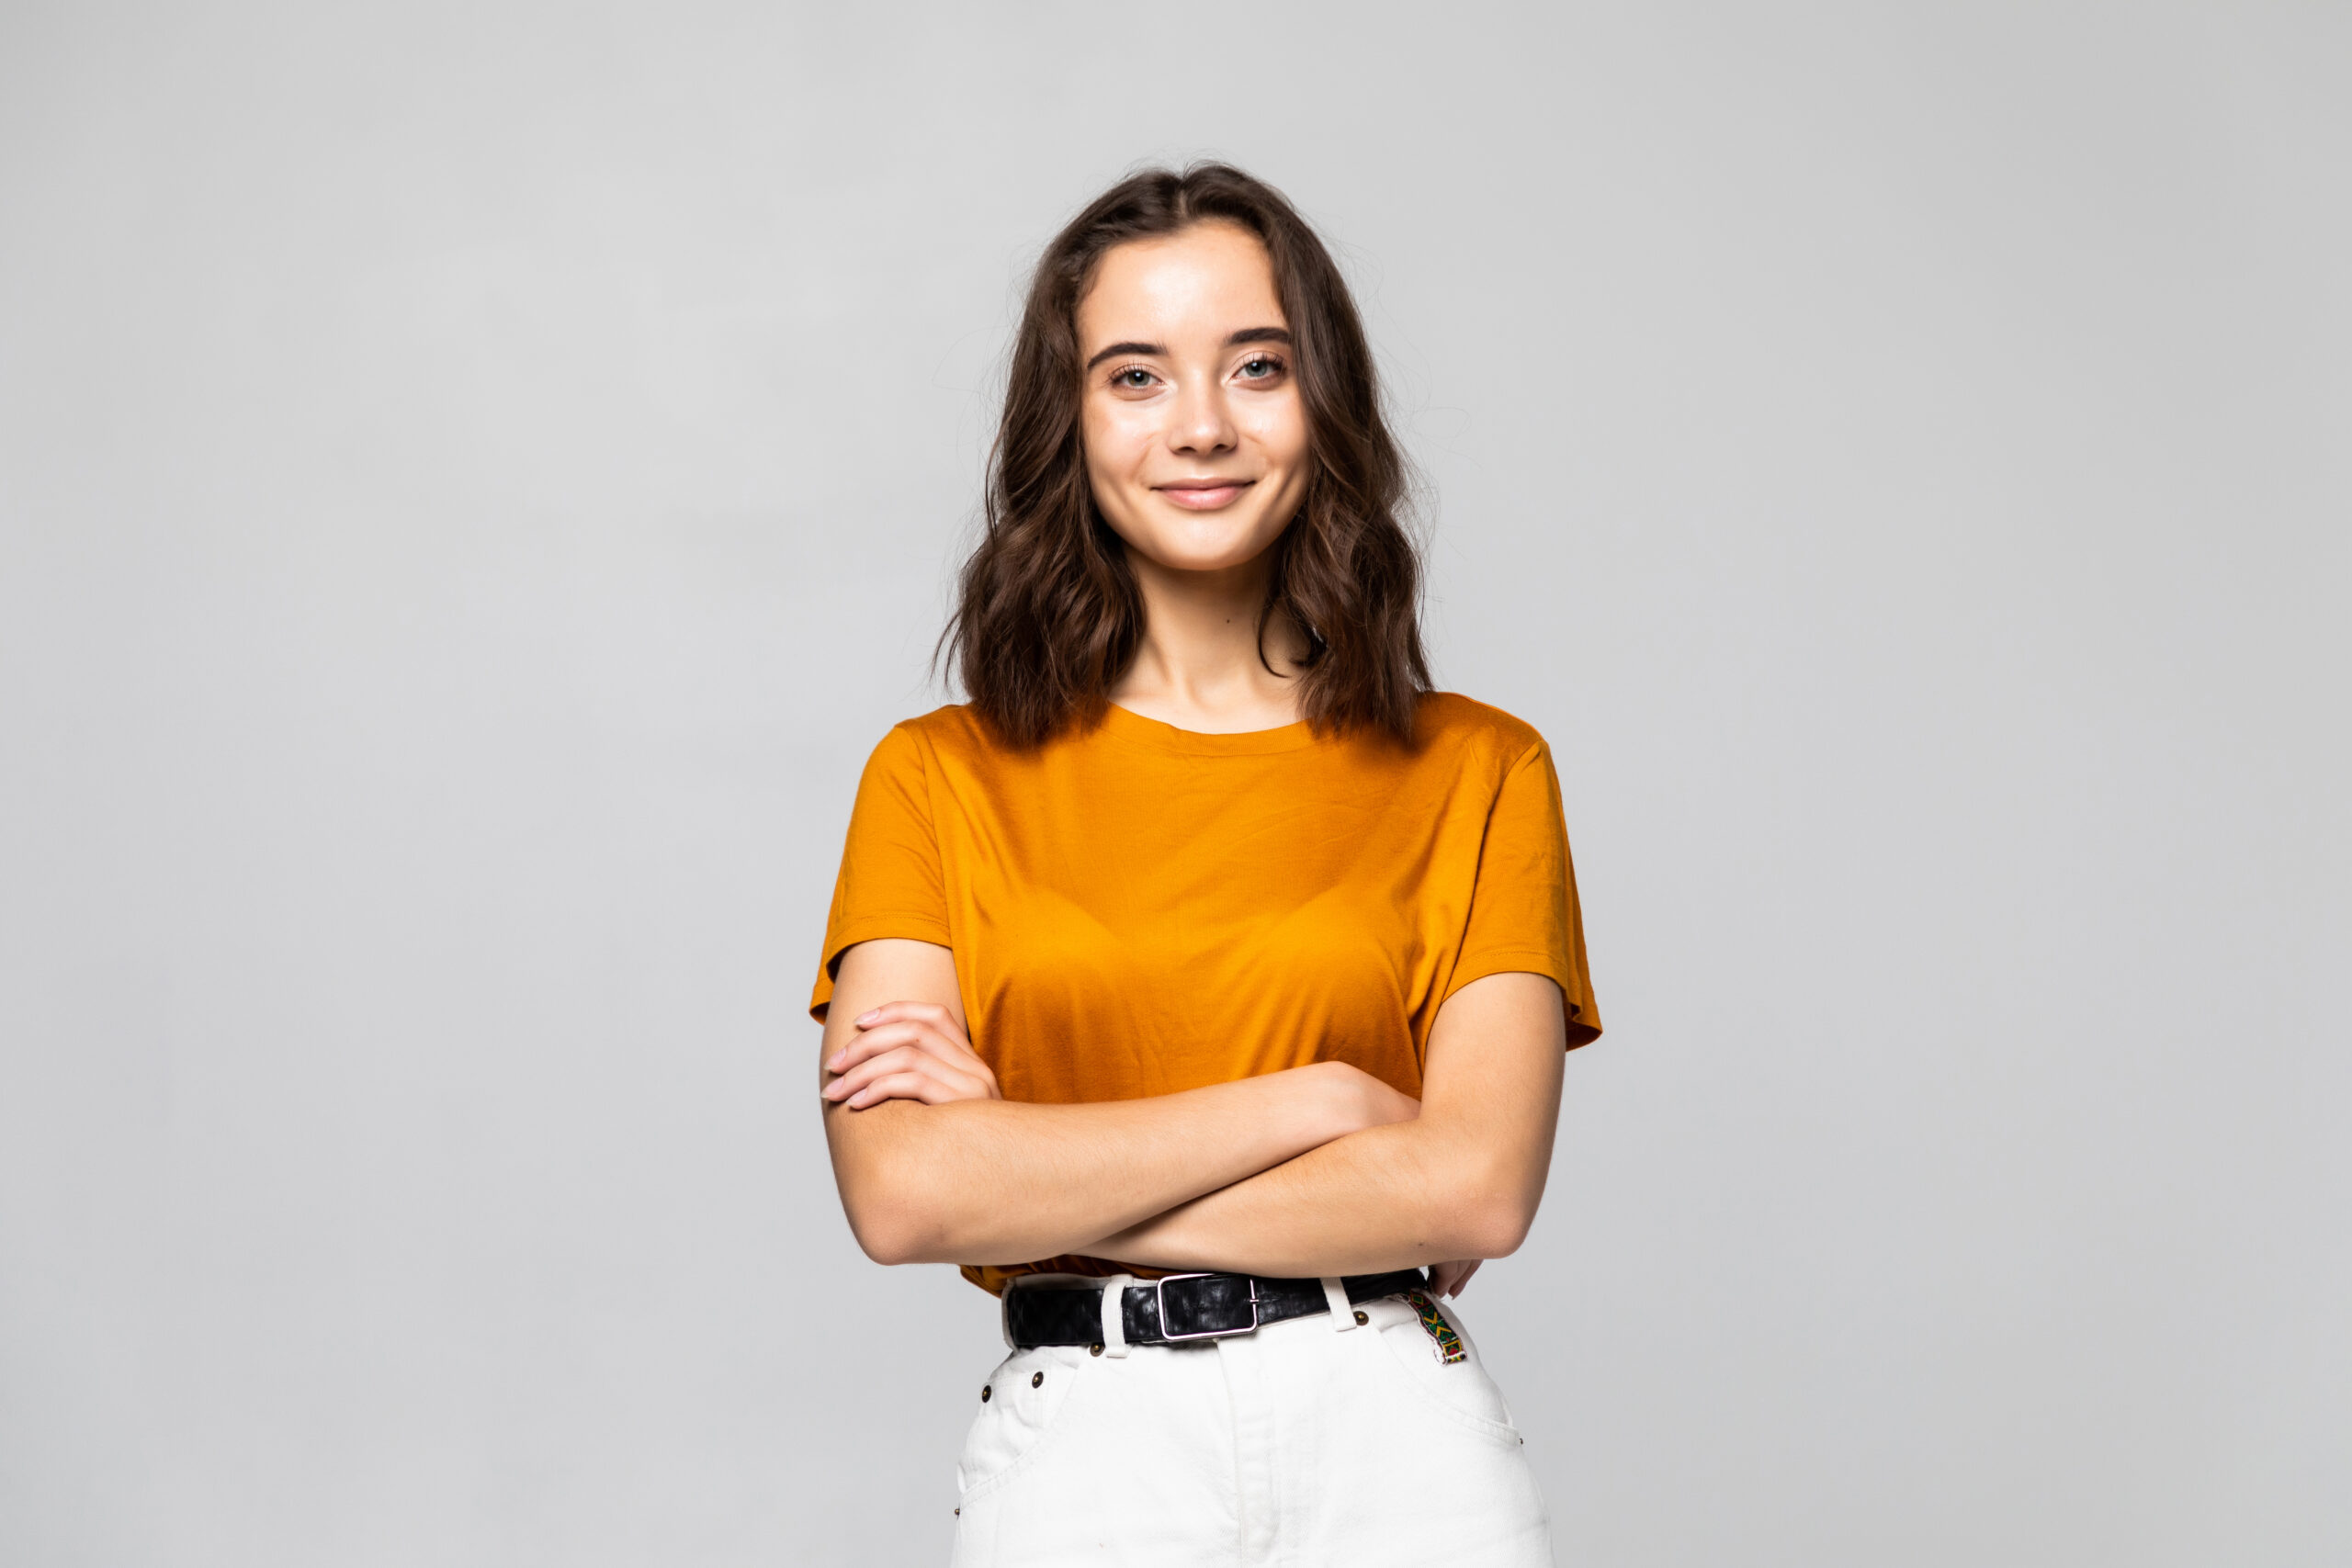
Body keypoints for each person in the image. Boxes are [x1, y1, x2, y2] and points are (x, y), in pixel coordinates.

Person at [810, 163, 1601, 1567]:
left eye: (1256, 366)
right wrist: (1332, 1102)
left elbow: (1477, 1190)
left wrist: (1039, 1169)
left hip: (1397, 1450)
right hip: (1089, 1460)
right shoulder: (937, 777)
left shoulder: (1482, 770)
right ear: (1071, 423)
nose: (1202, 427)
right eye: (1135, 376)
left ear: (1325, 406)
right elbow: (906, 1198)